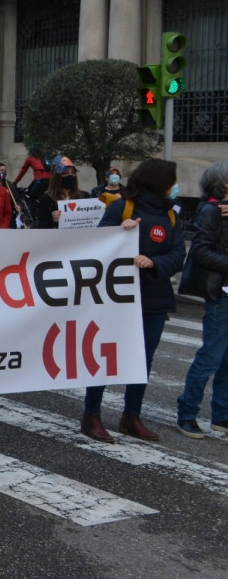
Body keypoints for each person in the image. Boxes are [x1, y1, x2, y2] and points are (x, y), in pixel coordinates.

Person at [81, 159, 185, 443]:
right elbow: (96, 244)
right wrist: (118, 232)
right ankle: (92, 415)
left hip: (154, 298)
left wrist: (154, 263)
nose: (174, 187)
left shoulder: (172, 216)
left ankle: (131, 416)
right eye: (171, 181)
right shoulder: (122, 207)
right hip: (118, 298)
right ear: (157, 181)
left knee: (142, 360)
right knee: (104, 354)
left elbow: (178, 255)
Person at [175, 161, 228, 439]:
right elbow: (199, 252)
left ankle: (221, 416)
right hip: (220, 294)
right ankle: (186, 413)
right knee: (210, 357)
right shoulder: (211, 211)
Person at [33, 156, 89, 229]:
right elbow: (40, 226)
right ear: (56, 177)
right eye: (65, 173)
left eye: (73, 173)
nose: (70, 175)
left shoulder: (84, 196)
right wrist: (52, 221)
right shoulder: (46, 199)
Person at [0, 160, 35, 229]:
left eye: (5, 170)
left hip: (8, 218)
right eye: (1, 170)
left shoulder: (9, 185)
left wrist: (19, 207)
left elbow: (16, 200)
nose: (4, 172)